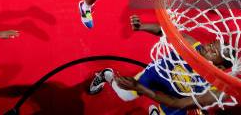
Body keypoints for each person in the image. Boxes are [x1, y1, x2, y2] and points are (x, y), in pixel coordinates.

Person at [89, 15, 230, 114]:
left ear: (220, 67)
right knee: (125, 95)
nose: (207, 48)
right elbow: (164, 31)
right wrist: (141, 26)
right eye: (211, 44)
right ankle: (107, 75)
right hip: (158, 76)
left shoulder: (215, 89)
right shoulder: (191, 44)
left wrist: (139, 88)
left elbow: (176, 103)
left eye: (214, 52)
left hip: (178, 98)